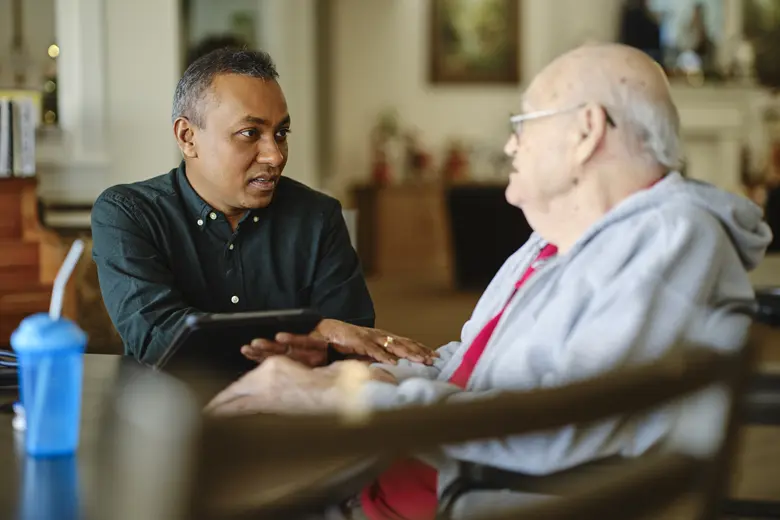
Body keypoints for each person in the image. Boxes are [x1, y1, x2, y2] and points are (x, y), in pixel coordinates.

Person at [204, 43, 772, 519]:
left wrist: (342, 397)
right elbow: (474, 369)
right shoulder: (552, 243)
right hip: (399, 481)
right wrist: (362, 372)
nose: (509, 146)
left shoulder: (668, 239)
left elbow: (556, 429)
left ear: (586, 131)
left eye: (523, 124)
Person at [91, 48, 433, 368]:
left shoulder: (318, 217)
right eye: (249, 133)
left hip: (295, 408)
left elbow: (354, 341)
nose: (275, 155)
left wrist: (327, 337)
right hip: (177, 408)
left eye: (281, 133)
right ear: (187, 137)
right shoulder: (128, 214)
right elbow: (158, 338)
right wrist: (316, 332)